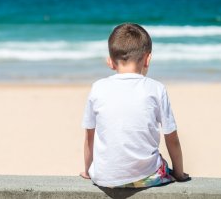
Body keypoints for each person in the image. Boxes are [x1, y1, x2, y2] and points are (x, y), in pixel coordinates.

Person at [80, 23, 190, 188]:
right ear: (148, 59)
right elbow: (171, 138)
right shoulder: (156, 89)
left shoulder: (98, 87)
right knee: (161, 164)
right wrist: (179, 174)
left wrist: (87, 171)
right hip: (146, 177)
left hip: (104, 178)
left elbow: (90, 137)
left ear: (110, 62)